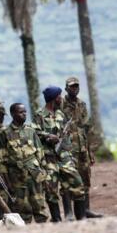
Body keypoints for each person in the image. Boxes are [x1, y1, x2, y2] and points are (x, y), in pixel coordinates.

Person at [33, 85, 86, 221]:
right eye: (59, 97)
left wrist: (70, 155)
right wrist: (48, 136)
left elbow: (65, 137)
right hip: (48, 158)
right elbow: (34, 132)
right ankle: (57, 221)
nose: (61, 98)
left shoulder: (60, 114)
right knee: (51, 190)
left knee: (77, 183)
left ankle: (81, 218)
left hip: (64, 156)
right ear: (53, 99)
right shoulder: (39, 115)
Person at [0, 103, 49, 223]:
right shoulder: (4, 133)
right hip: (17, 177)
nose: (24, 114)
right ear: (13, 114)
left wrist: (45, 173)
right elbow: (1, 159)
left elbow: (40, 152)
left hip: (35, 174)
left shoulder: (30, 130)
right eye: (21, 112)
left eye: (25, 112)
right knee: (22, 209)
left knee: (40, 207)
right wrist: (7, 182)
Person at [61, 77, 103, 218]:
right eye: (72, 87)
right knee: (68, 180)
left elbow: (88, 129)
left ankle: (86, 210)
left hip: (82, 149)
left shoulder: (82, 105)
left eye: (76, 86)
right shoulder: (60, 104)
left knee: (85, 179)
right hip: (67, 150)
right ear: (66, 88)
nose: (74, 89)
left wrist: (90, 151)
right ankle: (69, 213)